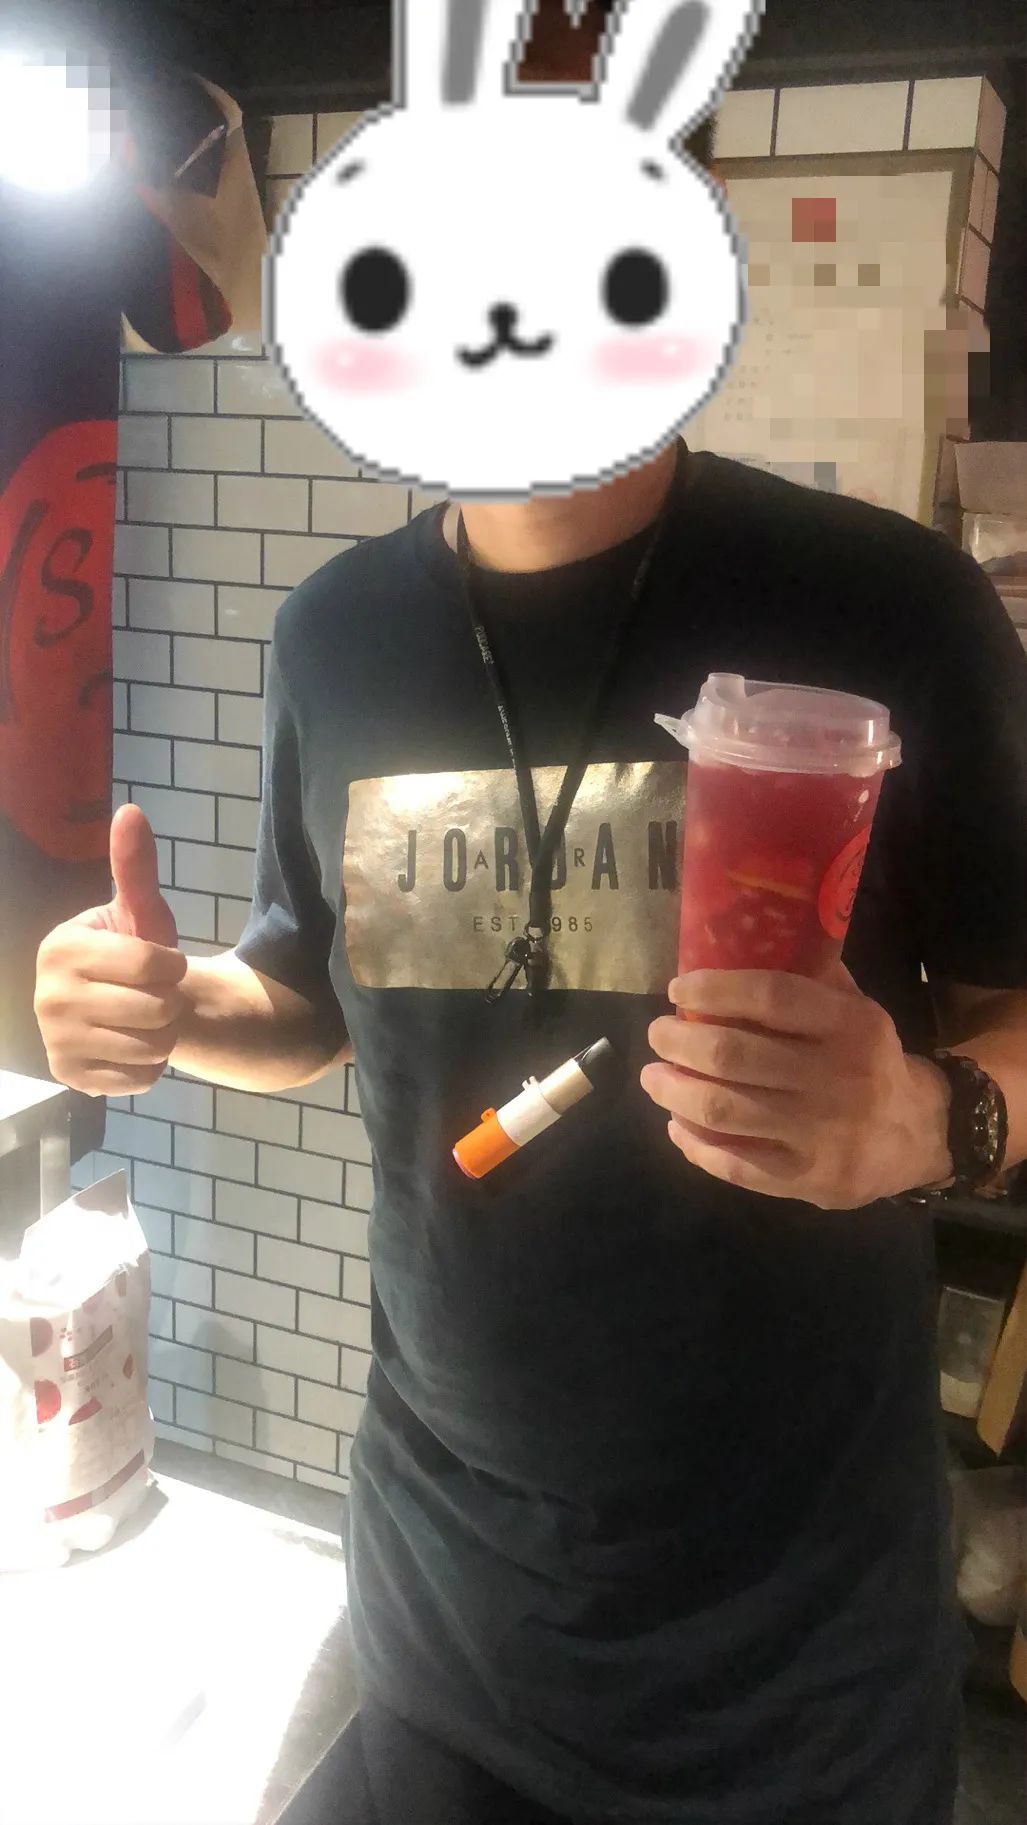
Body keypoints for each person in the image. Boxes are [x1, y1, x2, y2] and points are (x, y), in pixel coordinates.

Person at [34, 4, 1027, 1822]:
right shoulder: (335, 636)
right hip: (447, 1633)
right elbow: (306, 997)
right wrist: (173, 1011)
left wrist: (926, 1116)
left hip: (795, 1678)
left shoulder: (892, 606)